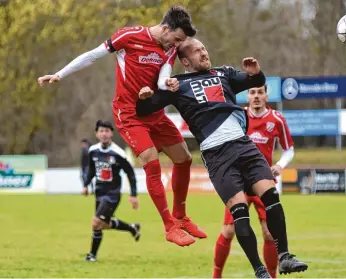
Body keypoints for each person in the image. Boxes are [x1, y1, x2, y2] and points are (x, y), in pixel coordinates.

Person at [136, 38, 307, 278]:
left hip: (243, 145)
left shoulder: (224, 73)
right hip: (217, 155)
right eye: (197, 51)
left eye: (204, 48)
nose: (204, 53)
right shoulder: (177, 85)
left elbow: (255, 82)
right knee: (239, 212)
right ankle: (260, 271)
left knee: (272, 196)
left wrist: (256, 73)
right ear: (185, 61)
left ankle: (285, 257)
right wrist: (143, 96)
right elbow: (144, 109)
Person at [37, 6, 205, 246]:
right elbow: (93, 54)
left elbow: (162, 77)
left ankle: (180, 216)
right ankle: (169, 226)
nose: (176, 45)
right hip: (128, 114)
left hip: (154, 113)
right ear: (166, 28)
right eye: (176, 39)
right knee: (151, 161)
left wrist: (161, 86)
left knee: (184, 158)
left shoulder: (170, 48)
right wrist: (60, 74)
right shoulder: (129, 36)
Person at [212, 84, 295, 278]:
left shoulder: (276, 119)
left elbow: (289, 148)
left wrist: (280, 165)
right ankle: (216, 276)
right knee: (229, 230)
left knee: (268, 232)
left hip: (261, 182)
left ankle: (272, 276)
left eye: (260, 92)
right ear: (247, 97)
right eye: (252, 92)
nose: (256, 96)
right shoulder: (238, 117)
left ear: (267, 95)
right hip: (237, 182)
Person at [83, 120, 140, 262]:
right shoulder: (92, 151)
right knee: (103, 224)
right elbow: (90, 170)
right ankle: (132, 228)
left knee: (96, 223)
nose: (104, 134)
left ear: (111, 134)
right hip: (99, 192)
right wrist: (85, 185)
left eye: (107, 131)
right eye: (101, 131)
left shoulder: (118, 153)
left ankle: (92, 256)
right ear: (97, 134)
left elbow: (131, 174)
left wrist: (133, 195)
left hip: (112, 194)